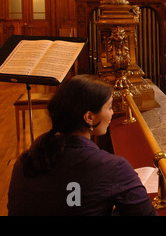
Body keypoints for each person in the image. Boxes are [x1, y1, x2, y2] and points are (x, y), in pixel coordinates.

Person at [8, 75, 157, 216]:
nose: (112, 113)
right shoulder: (113, 167)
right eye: (110, 107)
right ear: (89, 117)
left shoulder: (22, 163)